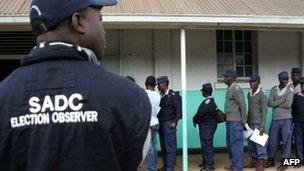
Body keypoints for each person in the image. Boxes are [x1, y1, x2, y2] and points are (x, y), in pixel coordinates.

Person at [0, 0, 151, 170]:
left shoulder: (4, 95)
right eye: (100, 20)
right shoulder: (129, 99)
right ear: (78, 22)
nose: (104, 31)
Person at [266, 71, 293, 171]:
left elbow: (288, 105)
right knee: (272, 140)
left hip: (286, 119)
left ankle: (285, 161)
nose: (285, 81)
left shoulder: (290, 90)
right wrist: (282, 100)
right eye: (283, 79)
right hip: (275, 119)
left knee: (286, 140)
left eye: (286, 79)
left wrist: (276, 104)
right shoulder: (274, 89)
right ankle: (271, 160)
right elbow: (269, 103)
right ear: (279, 79)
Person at [223, 69, 247, 171]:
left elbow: (243, 105)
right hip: (229, 121)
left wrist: (243, 121)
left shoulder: (237, 89)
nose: (224, 79)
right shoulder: (230, 89)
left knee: (236, 145)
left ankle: (238, 167)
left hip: (236, 122)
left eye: (226, 77)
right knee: (230, 145)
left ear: (232, 78)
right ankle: (234, 164)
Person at [157, 76, 182, 171]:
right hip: (161, 125)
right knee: (164, 148)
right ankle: (166, 166)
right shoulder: (160, 95)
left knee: (170, 148)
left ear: (164, 84)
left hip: (169, 124)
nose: (158, 86)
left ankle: (170, 168)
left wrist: (175, 122)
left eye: (158, 84)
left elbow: (178, 111)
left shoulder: (173, 95)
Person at [244, 74, 268, 171]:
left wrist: (262, 125)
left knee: (259, 143)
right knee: (251, 144)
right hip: (250, 122)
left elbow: (264, 110)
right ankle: (254, 161)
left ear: (258, 83)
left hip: (258, 123)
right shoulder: (249, 94)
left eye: (253, 81)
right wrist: (246, 121)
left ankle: (261, 163)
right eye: (250, 81)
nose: (251, 83)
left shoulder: (262, 94)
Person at [193, 83, 218, 171]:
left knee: (207, 146)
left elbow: (200, 113)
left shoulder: (208, 102)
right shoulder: (210, 101)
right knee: (205, 145)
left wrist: (194, 119)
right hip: (206, 126)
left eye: (202, 91)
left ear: (205, 92)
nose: (202, 93)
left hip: (207, 126)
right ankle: (206, 162)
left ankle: (210, 166)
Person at [144, 76, 161, 171]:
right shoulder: (158, 95)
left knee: (148, 148)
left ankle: (151, 169)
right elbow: (157, 109)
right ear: (155, 85)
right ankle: (153, 165)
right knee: (154, 146)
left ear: (146, 84)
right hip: (155, 122)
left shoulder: (144, 94)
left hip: (148, 124)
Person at [291, 77, 304, 168]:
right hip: (298, 123)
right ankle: (299, 160)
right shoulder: (296, 96)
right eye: (302, 85)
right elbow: (292, 110)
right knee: (298, 141)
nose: (303, 86)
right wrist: (293, 121)